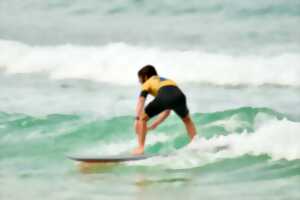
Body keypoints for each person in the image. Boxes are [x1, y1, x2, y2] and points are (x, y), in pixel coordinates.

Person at [133, 65, 197, 155]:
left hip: (165, 95)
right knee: (187, 120)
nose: (139, 81)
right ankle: (196, 144)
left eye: (140, 79)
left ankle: (140, 148)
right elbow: (167, 110)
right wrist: (154, 125)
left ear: (145, 77)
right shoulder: (166, 80)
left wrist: (137, 119)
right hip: (180, 96)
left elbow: (141, 100)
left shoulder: (147, 83)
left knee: (142, 118)